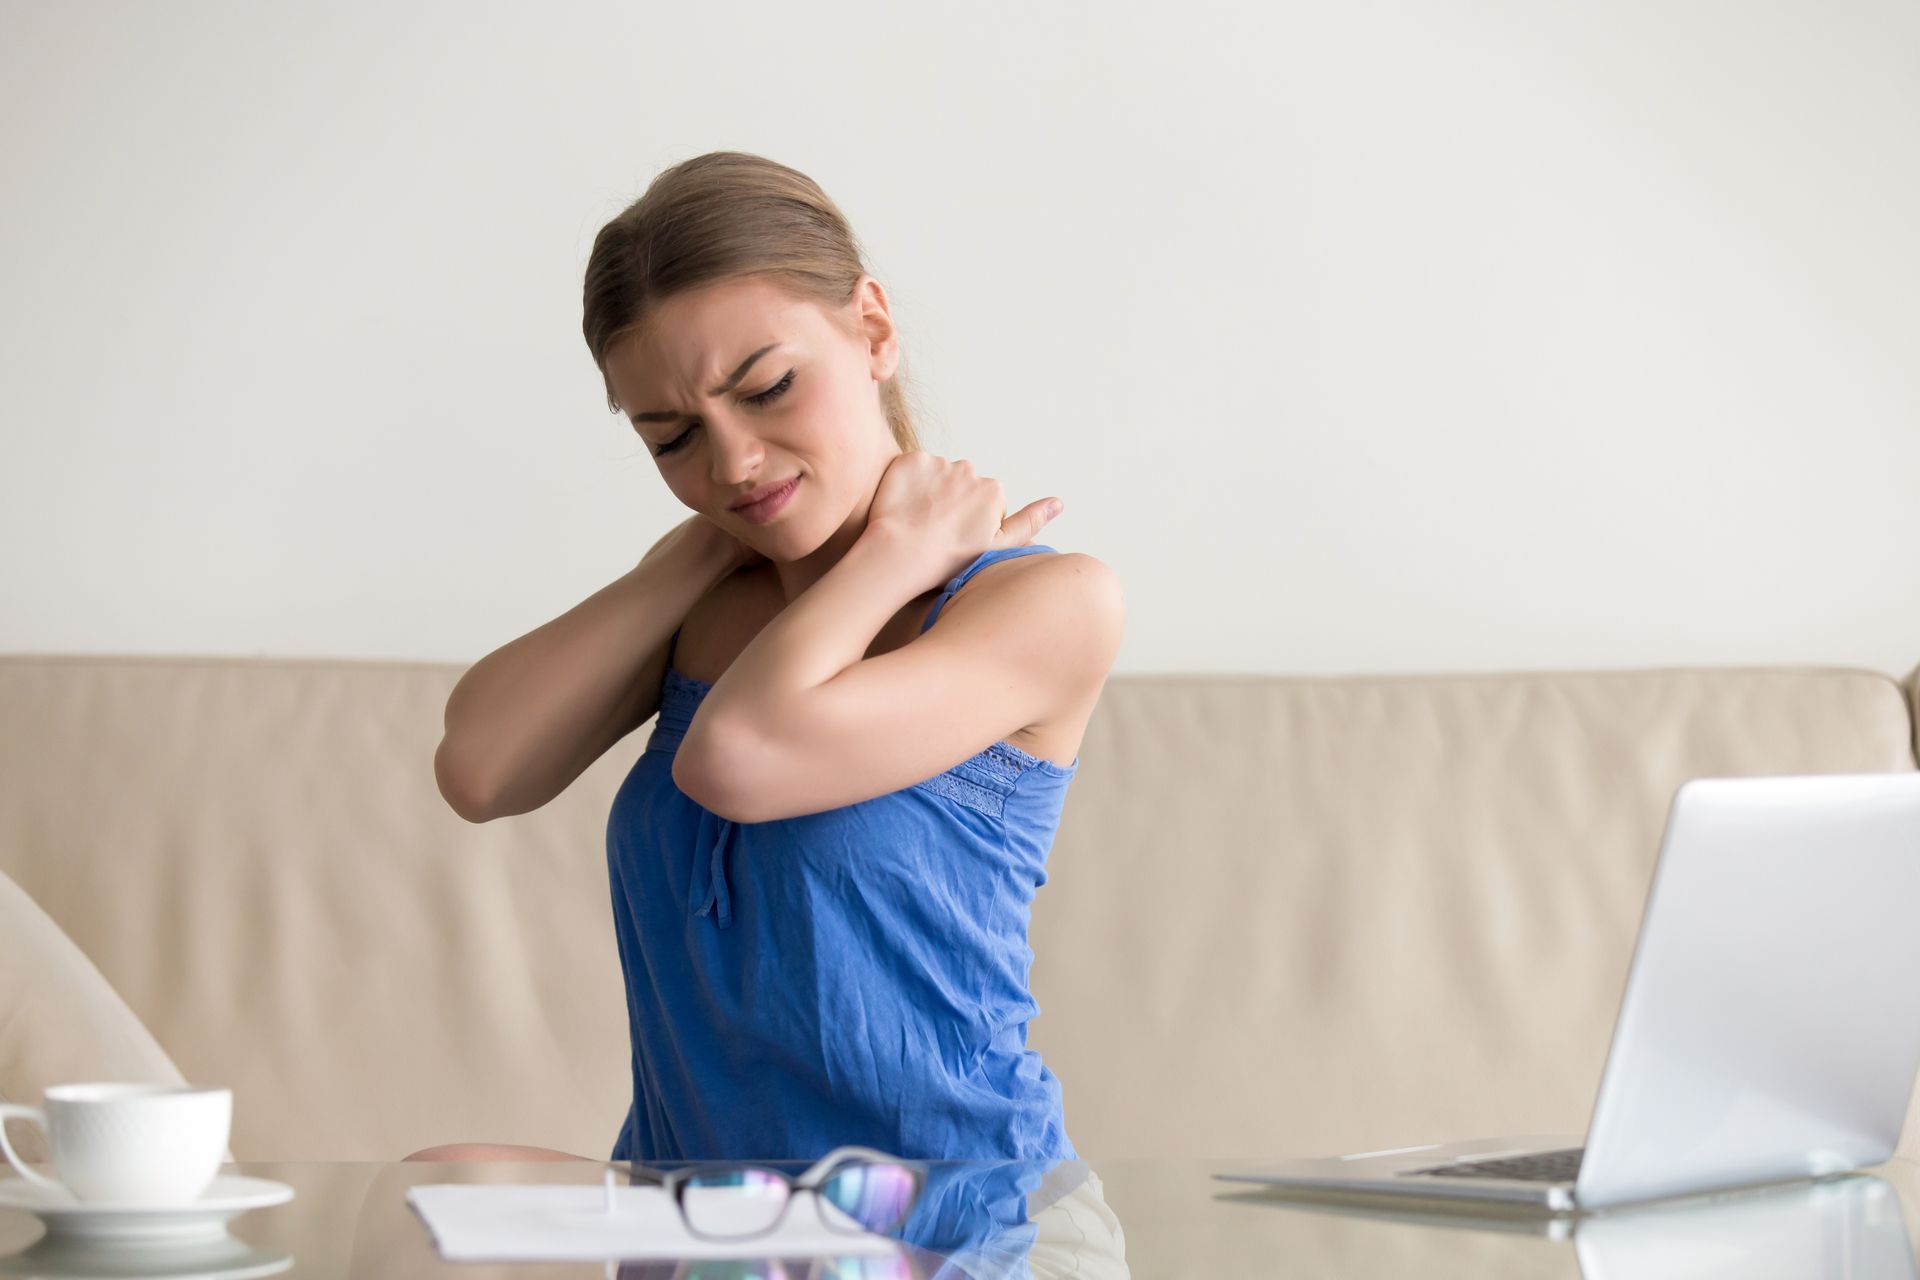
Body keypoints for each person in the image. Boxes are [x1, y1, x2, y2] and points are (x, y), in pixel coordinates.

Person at [405, 150, 1124, 1167]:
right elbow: (479, 768)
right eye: (672, 438)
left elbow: (736, 756)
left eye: (769, 388)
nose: (733, 462)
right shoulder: (708, 597)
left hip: (951, 1229)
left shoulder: (1041, 605)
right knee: (435, 1192)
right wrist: (703, 542)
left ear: (872, 329)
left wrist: (894, 555)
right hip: (706, 1229)